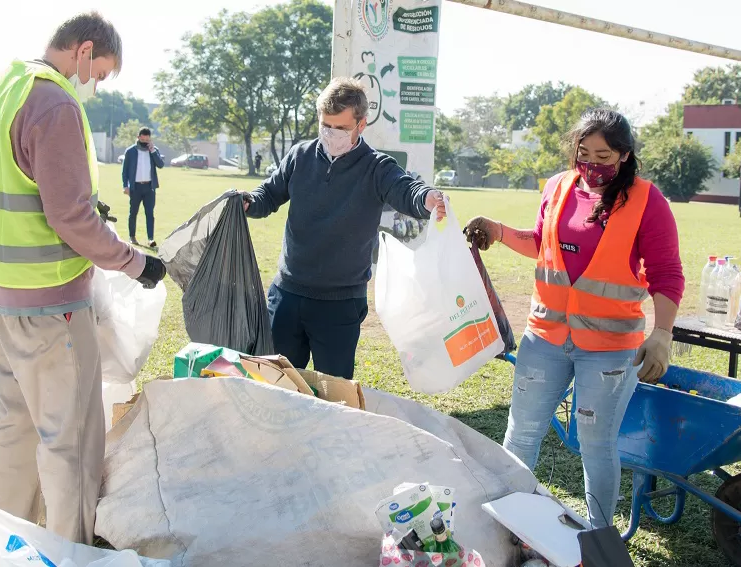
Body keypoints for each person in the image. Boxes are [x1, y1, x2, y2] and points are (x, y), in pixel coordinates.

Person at [0, 12, 165, 545]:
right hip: (52, 305)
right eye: (99, 73)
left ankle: (1, 534)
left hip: (0, 296)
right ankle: (67, 548)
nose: (95, 85)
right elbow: (71, 218)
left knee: (12, 422)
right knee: (69, 436)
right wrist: (136, 262)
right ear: (83, 51)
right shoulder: (54, 102)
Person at [465, 108, 684, 529]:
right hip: (545, 337)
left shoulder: (646, 201)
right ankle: (508, 523)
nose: (591, 164)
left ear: (624, 155)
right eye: (584, 153)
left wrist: (662, 333)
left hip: (608, 350)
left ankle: (599, 537)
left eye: (603, 156)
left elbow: (667, 273)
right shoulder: (558, 186)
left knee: (596, 445)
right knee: (521, 434)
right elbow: (542, 244)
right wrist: (498, 231)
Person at [243, 77, 446, 380]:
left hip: (339, 306)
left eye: (340, 128)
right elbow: (268, 195)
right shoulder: (300, 156)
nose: (331, 134)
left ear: (361, 125)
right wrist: (248, 202)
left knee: (334, 395)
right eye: (325, 125)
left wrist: (426, 199)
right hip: (287, 296)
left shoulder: (377, 167)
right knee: (276, 384)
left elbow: (406, 190)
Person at [121, 127, 165, 247]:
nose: (145, 141)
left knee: (150, 213)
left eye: (147, 139)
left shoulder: (153, 150)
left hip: (149, 187)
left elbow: (160, 165)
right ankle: (132, 236)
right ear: (138, 137)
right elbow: (124, 171)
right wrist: (125, 186)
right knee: (133, 212)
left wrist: (153, 152)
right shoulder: (130, 151)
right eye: (143, 138)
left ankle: (150, 239)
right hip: (135, 188)